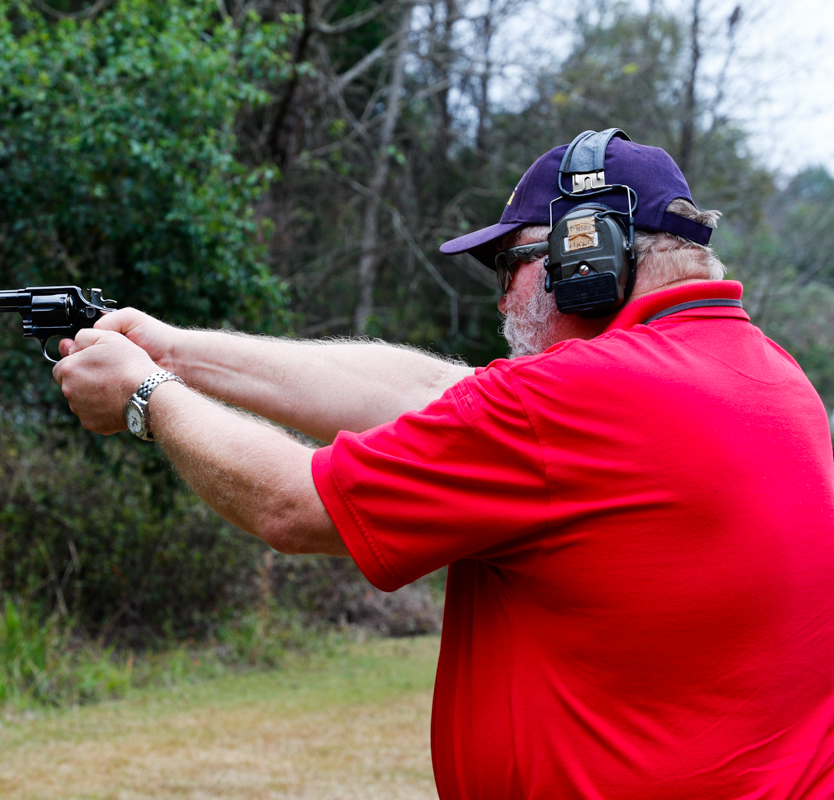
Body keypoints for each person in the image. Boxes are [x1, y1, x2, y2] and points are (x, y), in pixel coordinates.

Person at [52, 130, 834, 799]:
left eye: (511, 267)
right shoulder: (770, 376)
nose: (501, 303)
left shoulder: (573, 398)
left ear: (583, 252)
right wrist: (178, 350)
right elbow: (437, 392)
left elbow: (294, 506)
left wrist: (144, 396)